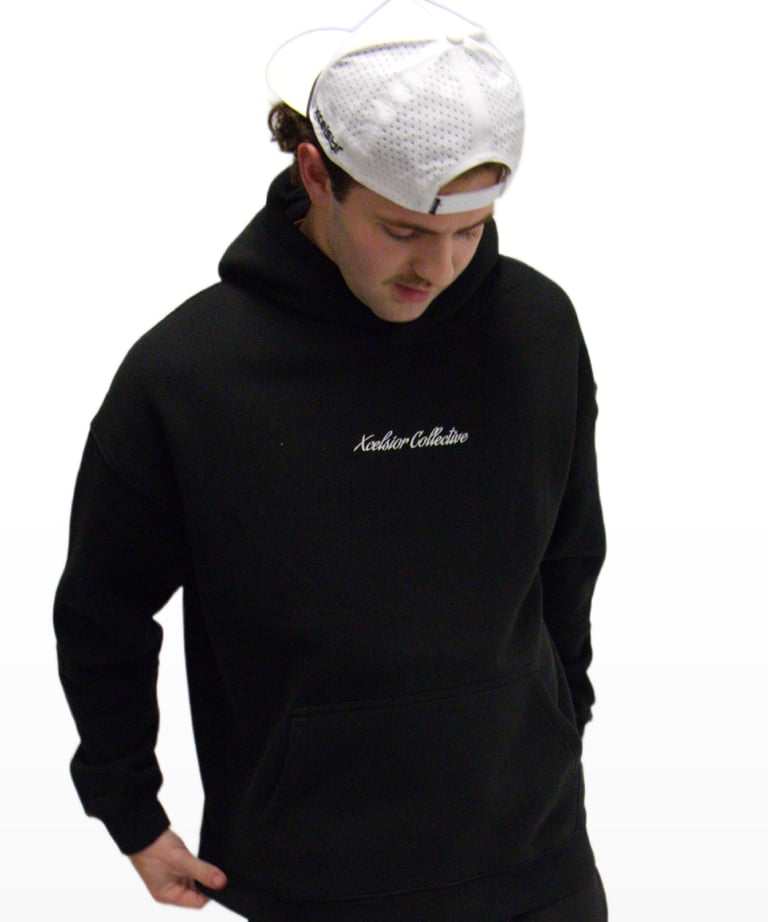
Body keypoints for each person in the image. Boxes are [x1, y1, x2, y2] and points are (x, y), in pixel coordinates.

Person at [54, 1, 608, 919]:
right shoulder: (191, 374)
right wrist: (131, 811)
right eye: (403, 231)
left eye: (469, 231)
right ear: (316, 173)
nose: (439, 268)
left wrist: (558, 720)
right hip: (313, 882)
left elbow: (570, 552)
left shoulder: (537, 329)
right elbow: (102, 611)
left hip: (538, 862)